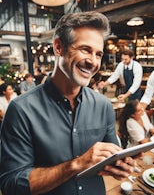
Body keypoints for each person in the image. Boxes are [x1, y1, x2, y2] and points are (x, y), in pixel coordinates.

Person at [0, 11, 135, 195]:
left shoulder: (103, 106)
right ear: (58, 47)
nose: (93, 62)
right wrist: (77, 164)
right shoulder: (21, 110)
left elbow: (111, 158)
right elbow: (11, 185)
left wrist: (121, 165)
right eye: (85, 49)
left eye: (98, 54)